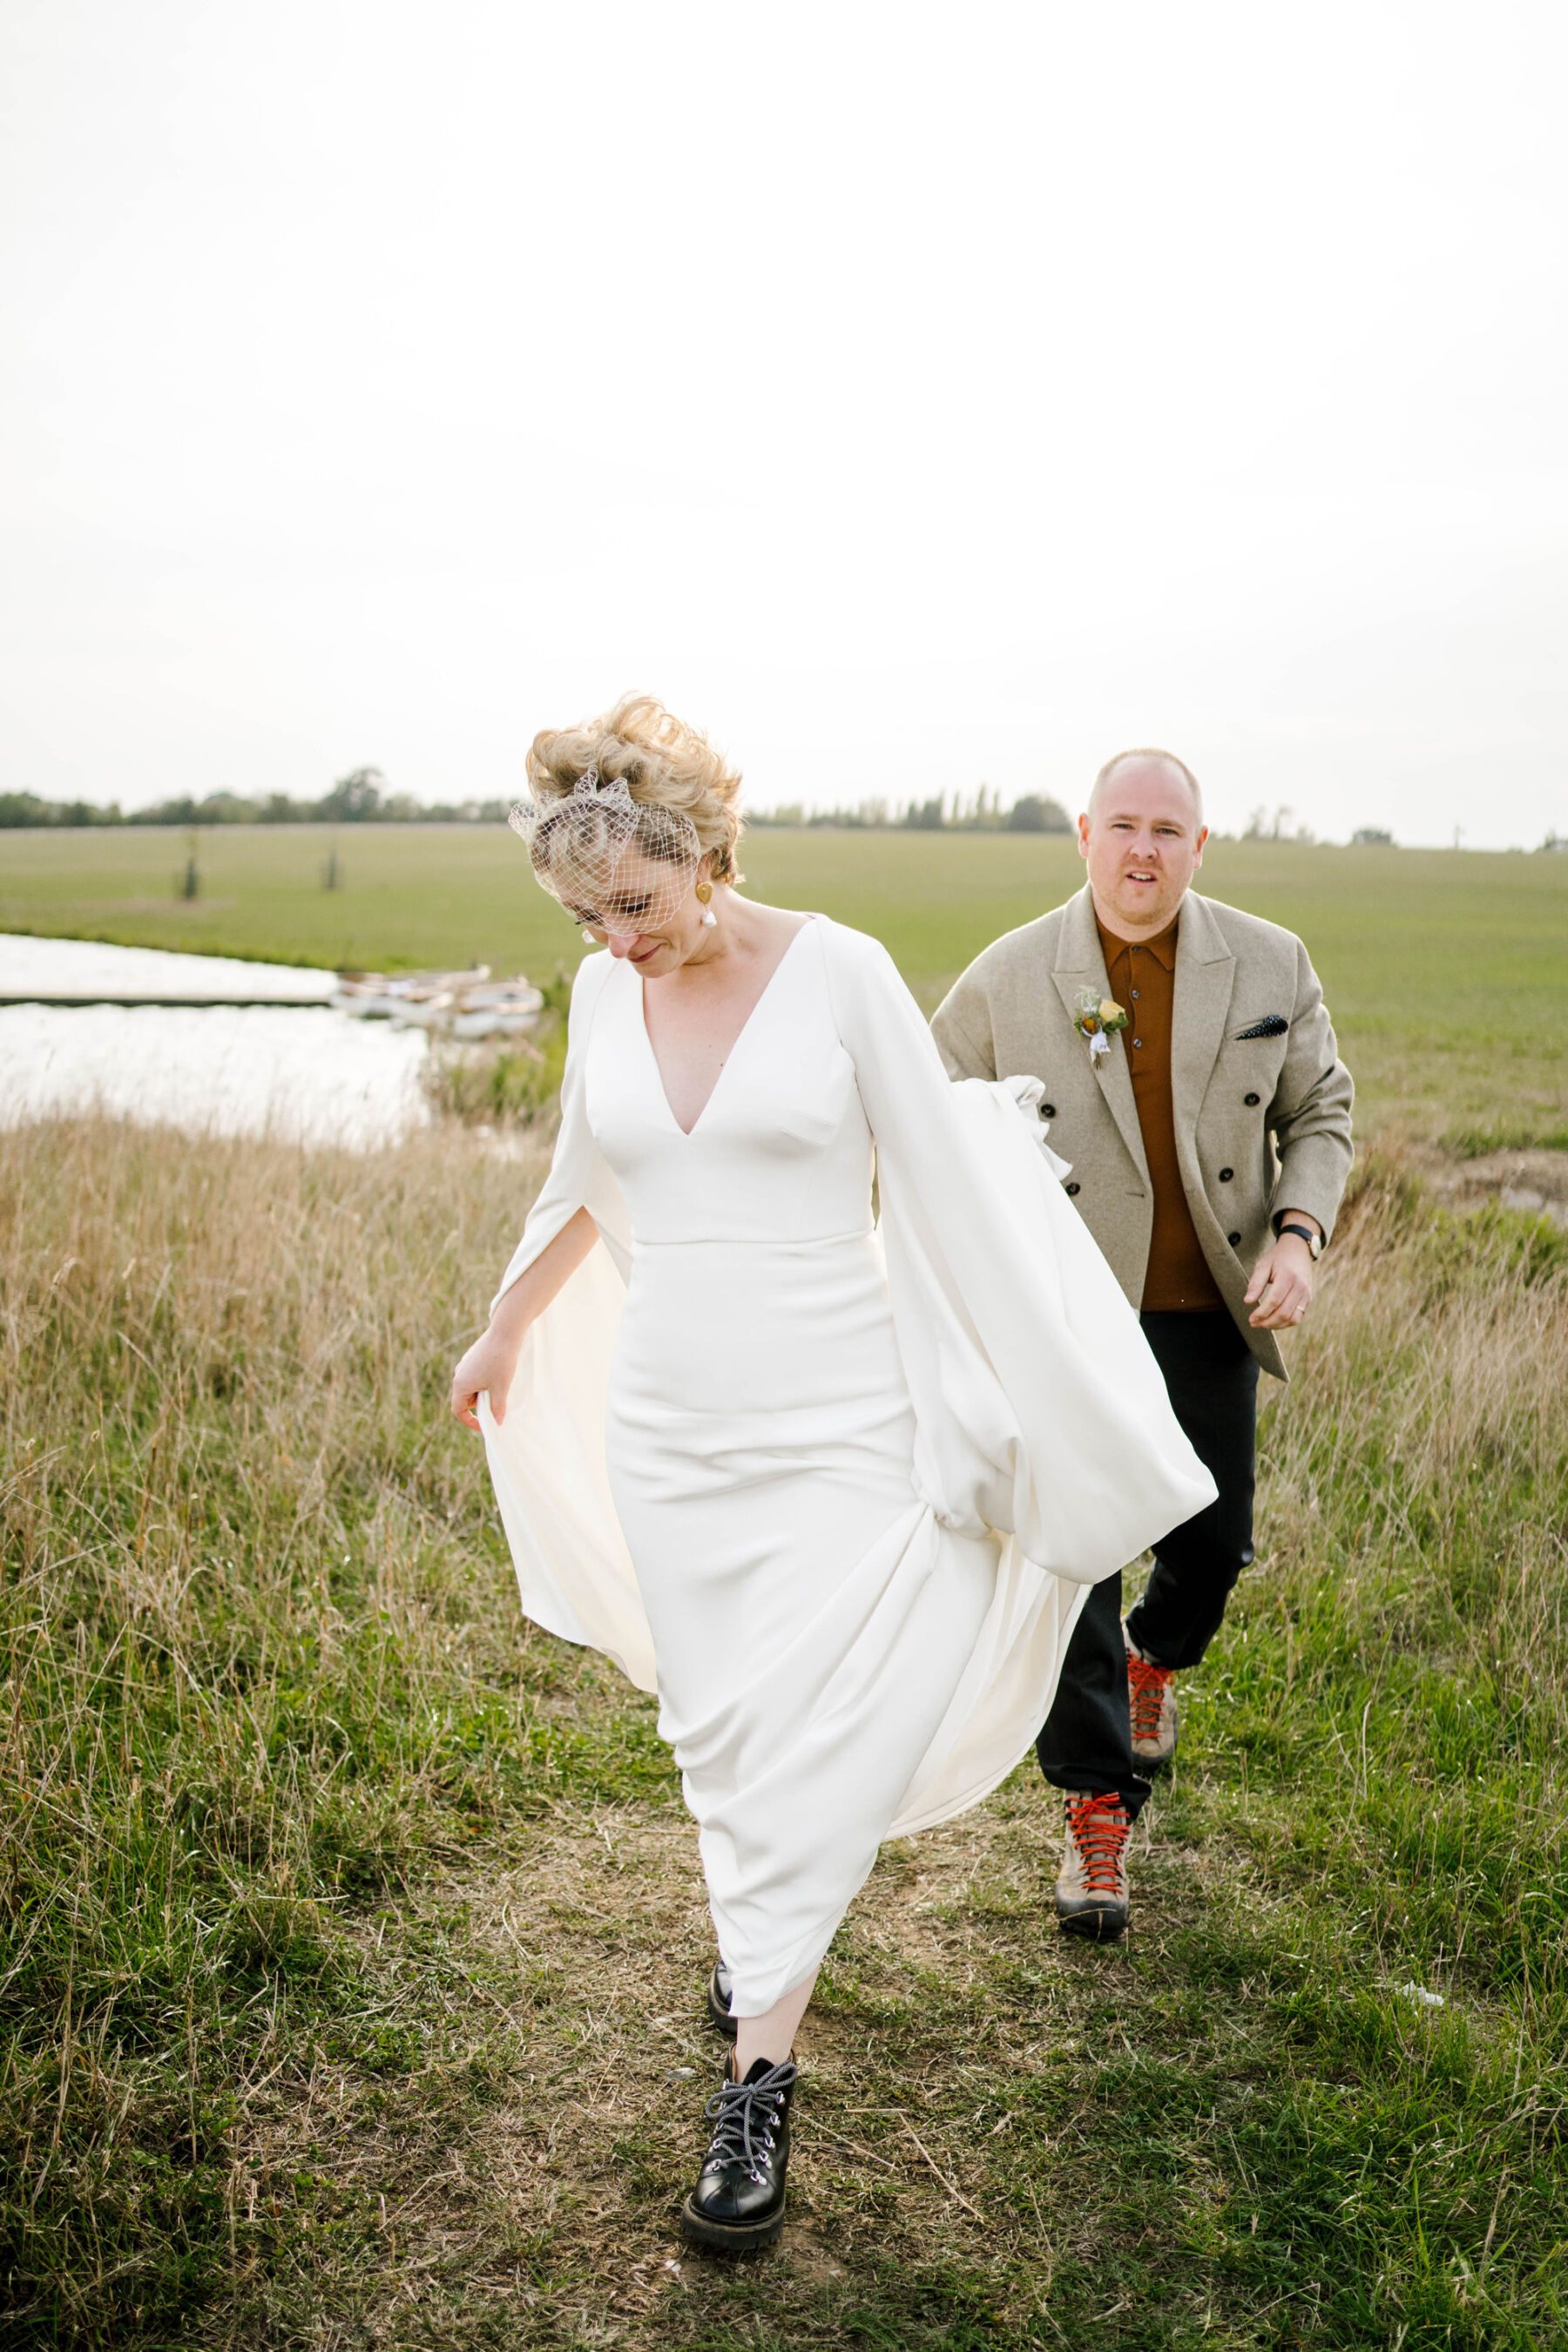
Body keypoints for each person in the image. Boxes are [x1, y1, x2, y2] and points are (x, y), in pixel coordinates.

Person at [451, 697, 1213, 2251]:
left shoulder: (842, 975)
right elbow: (579, 1180)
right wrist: (501, 1329)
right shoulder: (607, 999)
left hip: (841, 1426)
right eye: (586, 915)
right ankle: (761, 1933)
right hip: (670, 1432)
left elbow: (947, 1186)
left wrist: (1032, 1399)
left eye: (638, 906)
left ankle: (758, 2082)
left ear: (709, 855)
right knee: (725, 1733)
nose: (614, 941)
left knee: (821, 1734)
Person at [933, 749, 1354, 1940]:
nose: (1143, 850)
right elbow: (928, 1111)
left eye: (1169, 830)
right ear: (1084, 834)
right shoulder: (1010, 976)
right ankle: (1095, 1814)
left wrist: (1299, 1233)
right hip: (1063, 1325)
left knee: (1214, 1546)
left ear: (1200, 846)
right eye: (1123, 825)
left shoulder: (1271, 962)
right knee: (1074, 1564)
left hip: (1206, 1311)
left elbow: (1321, 1106)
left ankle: (1158, 1658)